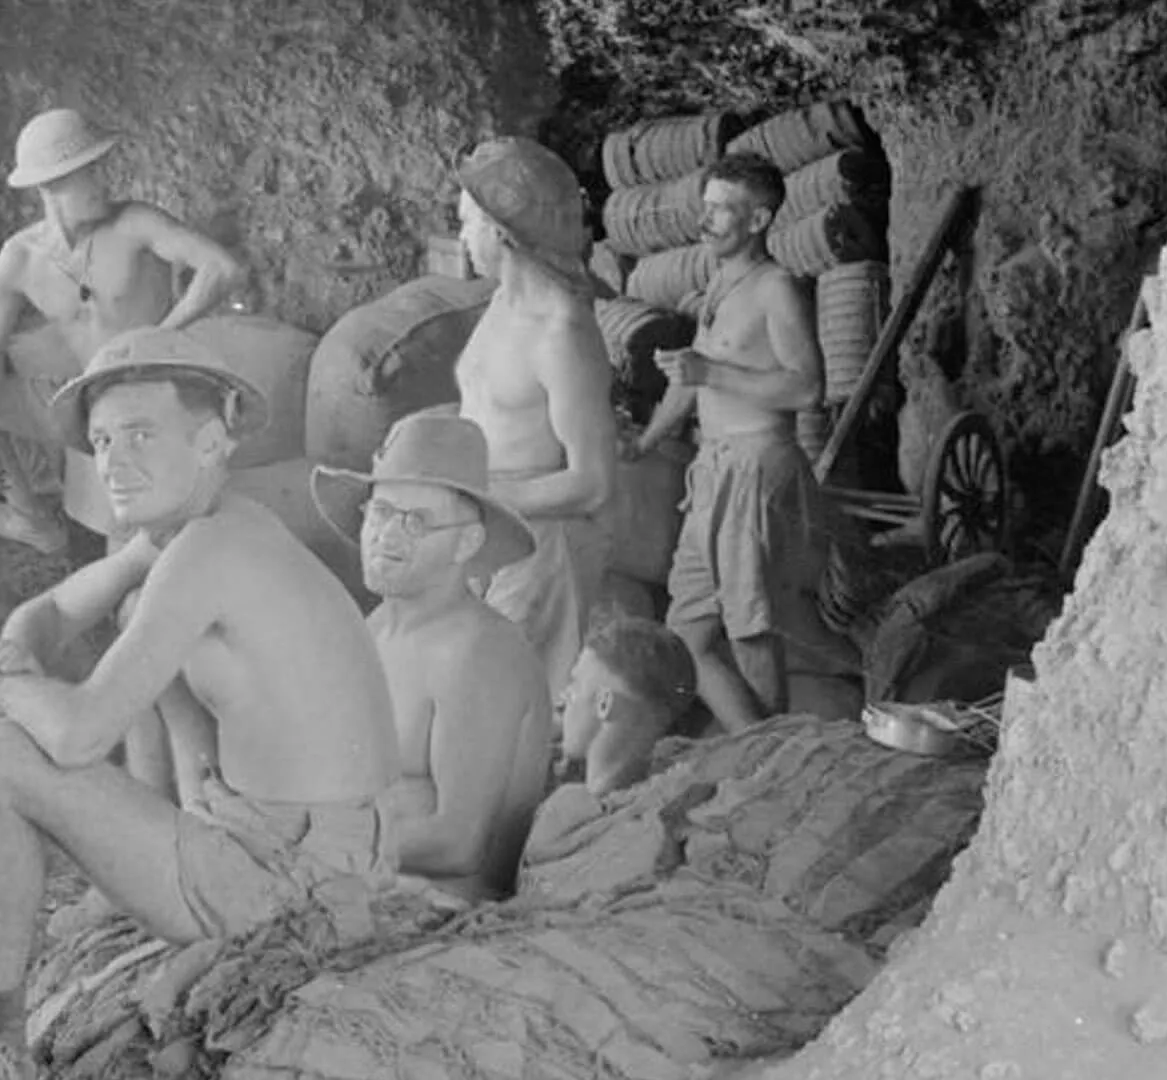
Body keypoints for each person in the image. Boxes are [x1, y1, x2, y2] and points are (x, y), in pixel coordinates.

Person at [0, 326, 399, 1063]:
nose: (115, 461)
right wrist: (10, 649)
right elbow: (48, 613)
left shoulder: (213, 551)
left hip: (292, 885)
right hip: (285, 849)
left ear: (212, 443)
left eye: (141, 434)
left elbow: (77, 736)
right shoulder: (189, 530)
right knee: (102, 637)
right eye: (105, 441)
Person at [0, 107, 246, 554]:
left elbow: (222, 269)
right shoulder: (18, 260)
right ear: (52, 185)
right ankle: (33, 520)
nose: (104, 181)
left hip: (156, 389)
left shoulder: (135, 223)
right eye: (89, 172)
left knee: (137, 544)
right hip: (90, 397)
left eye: (100, 168)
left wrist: (152, 342)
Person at [312, 409, 553, 903]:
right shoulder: (374, 629)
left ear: (468, 541)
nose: (388, 536)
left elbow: (461, 844)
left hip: (443, 912)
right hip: (358, 883)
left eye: (416, 522)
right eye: (379, 512)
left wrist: (311, 846)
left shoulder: (477, 652)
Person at [647, 152, 834, 733]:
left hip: (757, 468)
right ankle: (753, 743)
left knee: (750, 629)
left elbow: (808, 388)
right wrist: (644, 441)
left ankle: (767, 757)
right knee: (686, 635)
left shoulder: (775, 288)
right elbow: (692, 381)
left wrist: (712, 374)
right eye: (705, 207)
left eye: (722, 210)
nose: (706, 222)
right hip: (713, 470)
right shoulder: (718, 284)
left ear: (758, 220)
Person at [451, 137, 619, 700]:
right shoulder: (500, 302)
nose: (460, 238)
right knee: (477, 695)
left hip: (542, 552)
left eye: (466, 224)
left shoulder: (561, 332)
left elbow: (593, 484)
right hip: (488, 529)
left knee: (516, 706)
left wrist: (480, 494)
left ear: (500, 232)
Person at [520, 615, 698, 877]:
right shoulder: (671, 798)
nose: (562, 698)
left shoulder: (565, 812)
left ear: (604, 704)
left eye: (574, 683)